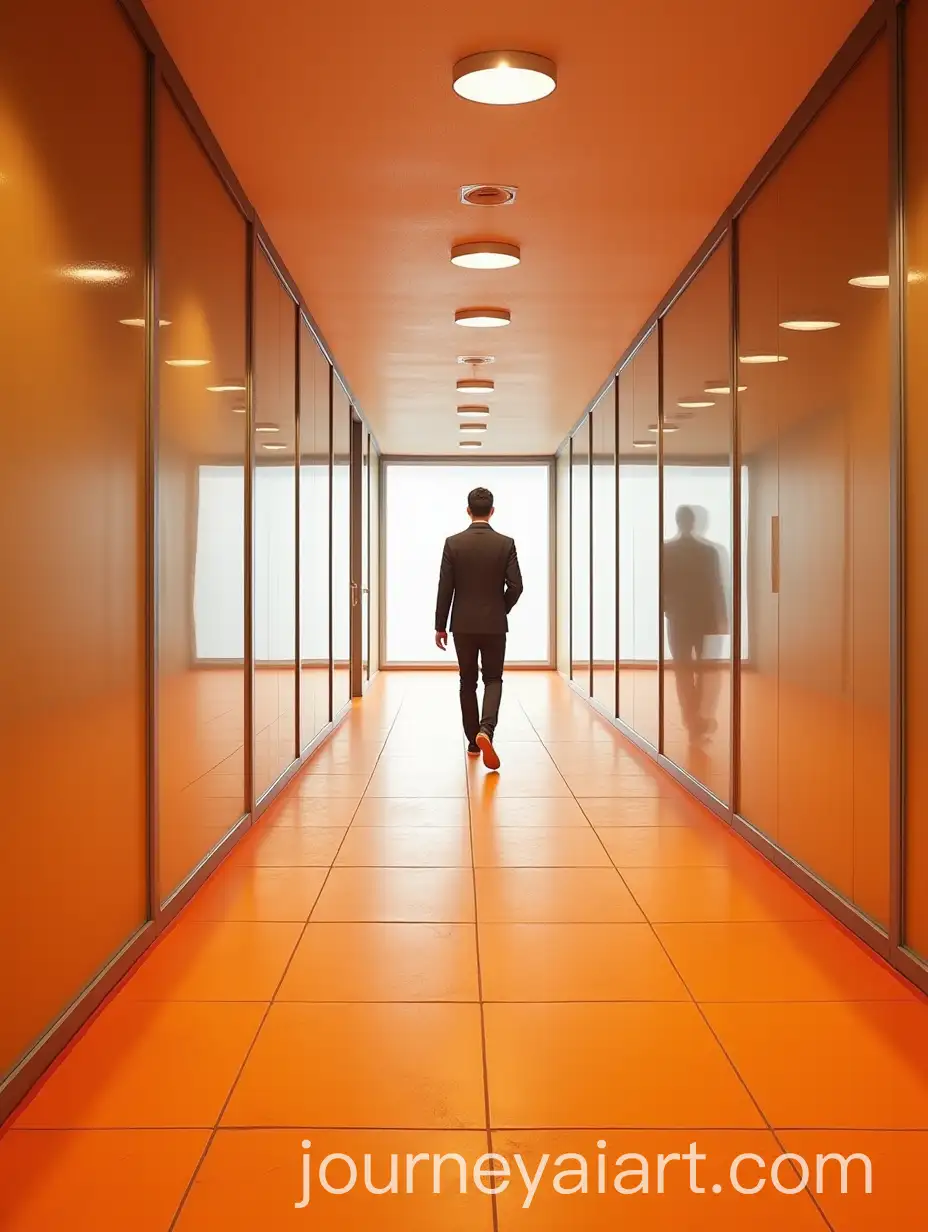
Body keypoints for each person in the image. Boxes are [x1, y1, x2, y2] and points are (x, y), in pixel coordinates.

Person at [434, 486, 523, 769]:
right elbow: (517, 586)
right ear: (492, 511)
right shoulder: (506, 543)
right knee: (493, 679)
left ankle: (473, 741)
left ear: (468, 511)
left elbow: (445, 587)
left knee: (467, 681)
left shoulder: (453, 543)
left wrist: (440, 625)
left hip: (462, 623)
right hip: (495, 624)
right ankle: (487, 730)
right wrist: (501, 607)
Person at [662, 504, 727, 742]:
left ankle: (691, 717)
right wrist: (721, 619)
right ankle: (694, 716)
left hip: (678, 618)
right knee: (700, 668)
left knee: (683, 668)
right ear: (694, 523)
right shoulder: (708, 552)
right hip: (700, 617)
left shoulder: (666, 550)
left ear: (678, 522)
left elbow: (662, 585)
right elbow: (715, 587)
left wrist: (666, 610)